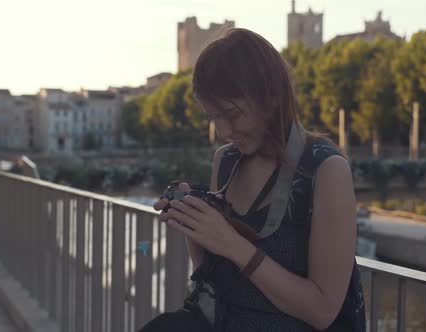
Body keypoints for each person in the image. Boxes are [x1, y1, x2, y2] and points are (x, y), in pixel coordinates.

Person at [148, 28, 365, 331]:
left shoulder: (327, 170)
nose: (224, 131)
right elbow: (212, 278)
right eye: (213, 117)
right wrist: (194, 223)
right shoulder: (227, 160)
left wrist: (232, 243)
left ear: (270, 96)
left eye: (232, 114)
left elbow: (322, 311)